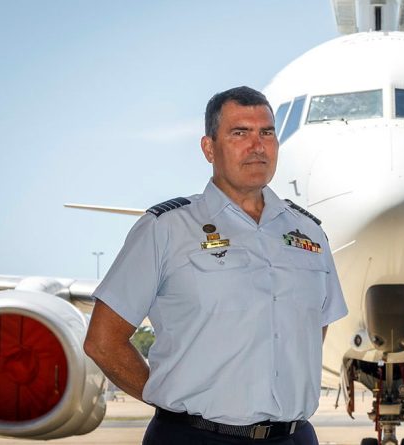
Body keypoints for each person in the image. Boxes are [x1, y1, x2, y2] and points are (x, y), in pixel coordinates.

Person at [84, 86, 348, 444]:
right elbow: (102, 341)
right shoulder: (166, 229)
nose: (257, 146)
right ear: (209, 148)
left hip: (293, 436)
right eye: (240, 133)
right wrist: (168, 400)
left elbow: (314, 328)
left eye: (266, 133)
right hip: (195, 435)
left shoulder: (310, 235)